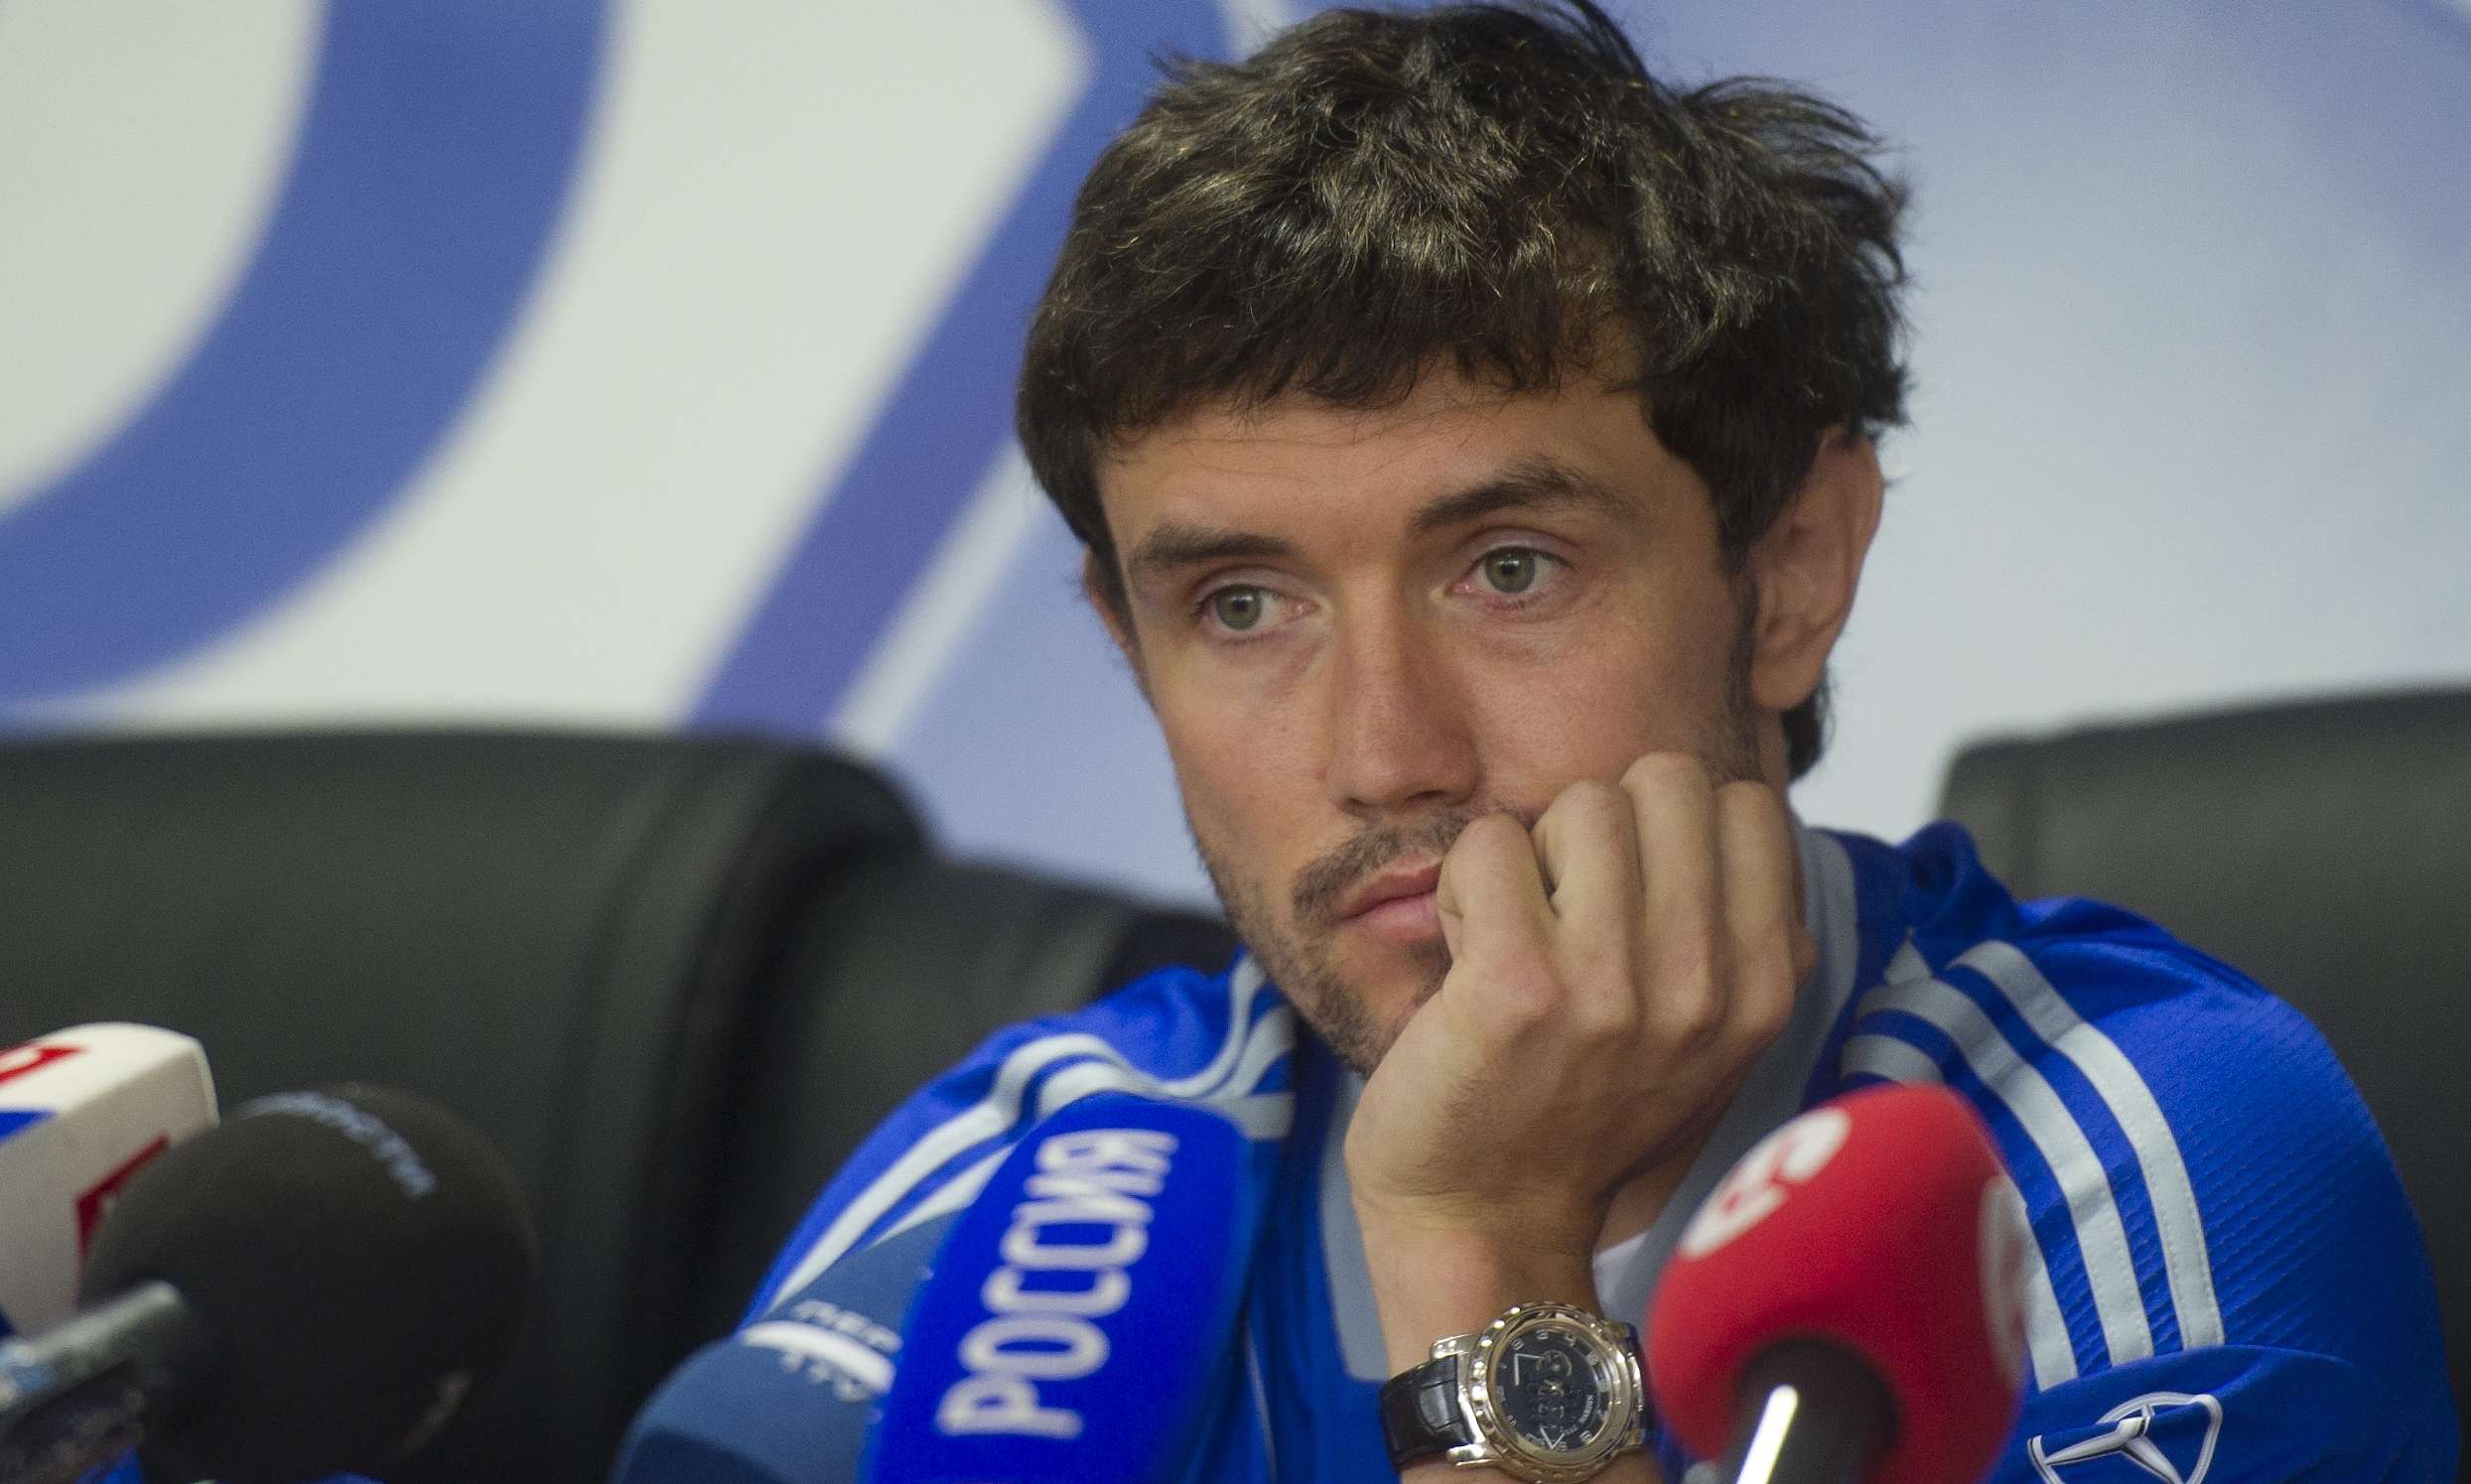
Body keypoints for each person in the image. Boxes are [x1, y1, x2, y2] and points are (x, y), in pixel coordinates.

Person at [618, 4, 2456, 1480]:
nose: (1384, 752)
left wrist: (1480, 1242)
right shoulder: (1039, 1192)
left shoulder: (2140, 1158)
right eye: (1242, 606)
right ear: (1127, 644)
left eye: (1508, 568)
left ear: (1791, 571)